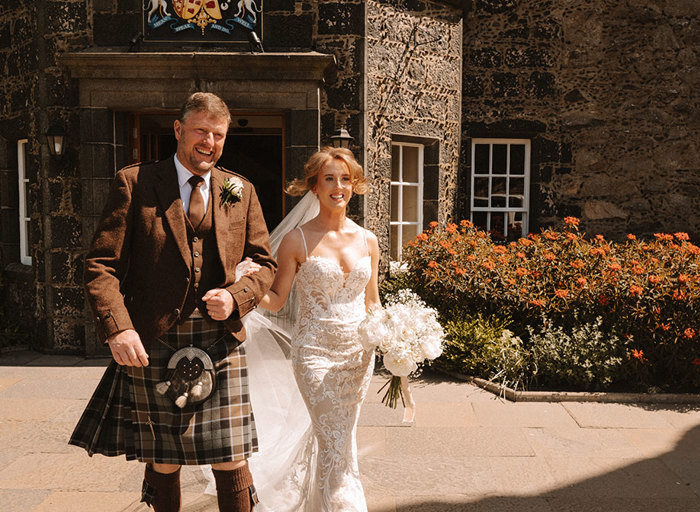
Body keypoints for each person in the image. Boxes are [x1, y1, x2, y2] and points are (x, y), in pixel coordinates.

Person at [69, 92, 276, 512]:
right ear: (179, 130)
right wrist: (119, 328)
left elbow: (265, 264)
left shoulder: (240, 189)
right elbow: (100, 264)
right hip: (156, 337)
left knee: (230, 452)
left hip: (220, 340)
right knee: (163, 456)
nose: (210, 142)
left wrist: (236, 298)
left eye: (218, 135)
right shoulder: (136, 181)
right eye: (201, 130)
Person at [242, 146, 381, 511]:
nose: (339, 186)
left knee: (342, 438)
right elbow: (276, 300)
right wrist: (248, 285)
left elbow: (373, 302)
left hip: (358, 357)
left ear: (355, 185)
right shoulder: (296, 240)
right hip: (314, 355)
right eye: (329, 179)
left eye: (346, 179)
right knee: (333, 437)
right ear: (315, 187)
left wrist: (395, 338)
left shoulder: (369, 241)